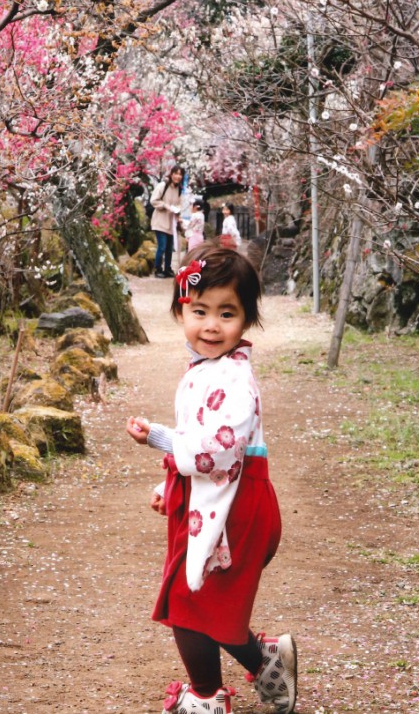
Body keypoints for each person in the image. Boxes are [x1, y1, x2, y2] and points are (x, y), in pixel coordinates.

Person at [126, 244, 296, 714]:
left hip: (236, 511)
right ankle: (266, 660)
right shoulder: (206, 370)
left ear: (247, 320)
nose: (212, 326)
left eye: (227, 313)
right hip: (214, 501)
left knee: (189, 601)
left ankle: (204, 697)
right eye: (200, 311)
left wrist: (160, 438)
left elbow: (217, 450)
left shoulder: (235, 379)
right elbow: (199, 438)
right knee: (207, 605)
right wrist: (171, 487)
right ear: (182, 310)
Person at [150, 165, 185, 278]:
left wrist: (178, 211)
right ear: (171, 174)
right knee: (162, 246)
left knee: (170, 248)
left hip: (171, 223)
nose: (178, 176)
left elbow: (179, 203)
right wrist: (166, 206)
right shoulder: (163, 185)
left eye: (180, 174)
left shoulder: (179, 189)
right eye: (176, 173)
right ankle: (158, 269)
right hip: (160, 221)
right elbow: (153, 200)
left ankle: (168, 269)